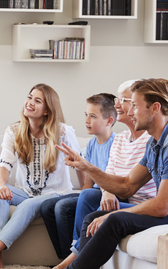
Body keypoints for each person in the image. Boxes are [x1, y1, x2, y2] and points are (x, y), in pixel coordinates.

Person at [38, 78, 168, 269]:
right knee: (94, 217)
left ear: (155, 108)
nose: (130, 112)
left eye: (135, 105)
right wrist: (86, 165)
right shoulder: (156, 142)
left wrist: (115, 214)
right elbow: (127, 186)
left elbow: (162, 207)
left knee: (113, 220)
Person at [16, 80, 158, 269]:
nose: (118, 104)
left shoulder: (152, 142)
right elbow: (109, 179)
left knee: (82, 201)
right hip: (117, 196)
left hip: (135, 201)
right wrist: (107, 189)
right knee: (74, 201)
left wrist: (99, 182)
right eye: (118, 100)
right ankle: (72, 268)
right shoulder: (120, 141)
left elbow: (129, 186)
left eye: (125, 101)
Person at [0, 84, 81, 269]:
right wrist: (1, 183)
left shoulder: (63, 132)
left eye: (37, 100)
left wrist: (85, 191)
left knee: (27, 205)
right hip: (26, 192)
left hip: (57, 194)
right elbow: (5, 164)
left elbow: (80, 162)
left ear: (47, 110)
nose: (30, 103)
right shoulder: (14, 131)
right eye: (29, 97)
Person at [40, 93, 117, 259]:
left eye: (93, 116)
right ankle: (64, 258)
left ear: (109, 121)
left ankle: (76, 256)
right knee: (47, 207)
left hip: (107, 194)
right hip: (92, 194)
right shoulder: (91, 145)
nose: (87, 120)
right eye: (86, 115)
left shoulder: (116, 144)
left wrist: (86, 195)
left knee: (63, 207)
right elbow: (87, 184)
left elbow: (115, 181)